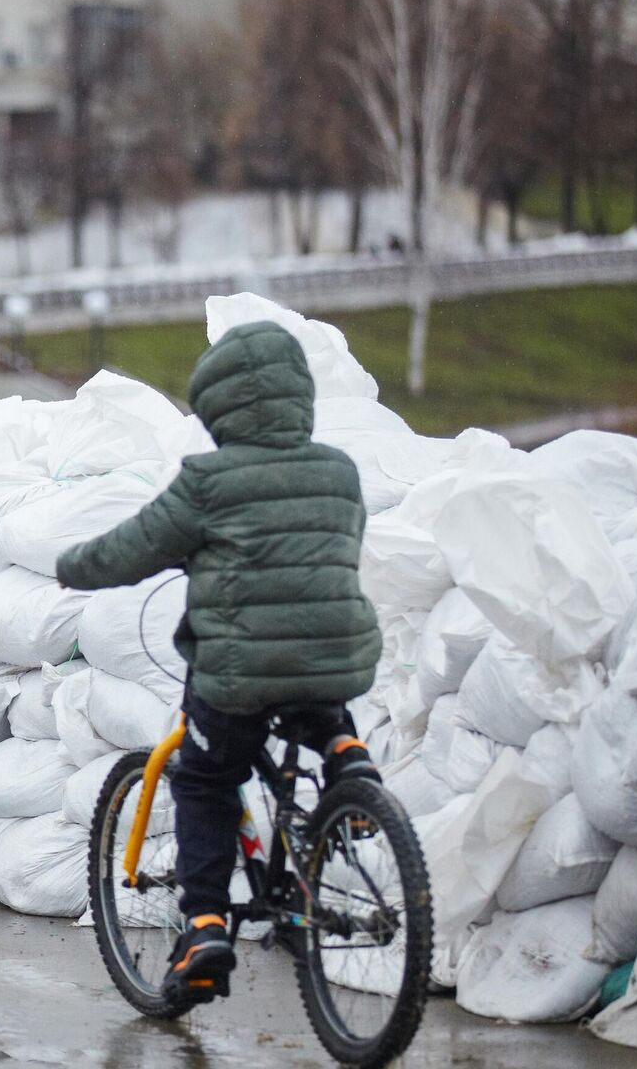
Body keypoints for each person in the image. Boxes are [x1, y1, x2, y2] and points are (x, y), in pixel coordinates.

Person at [55, 320, 383, 1007]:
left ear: (218, 409)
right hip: (337, 655)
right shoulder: (339, 470)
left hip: (236, 677)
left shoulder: (207, 481)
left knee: (204, 778)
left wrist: (73, 567)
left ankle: (203, 924)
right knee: (311, 672)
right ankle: (347, 753)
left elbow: (133, 546)